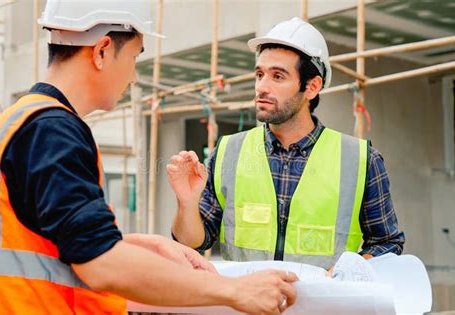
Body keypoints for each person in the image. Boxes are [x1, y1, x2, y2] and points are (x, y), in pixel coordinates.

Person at [0, 1, 298, 314]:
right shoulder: (51, 130)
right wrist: (233, 290)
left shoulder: (26, 119)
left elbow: (53, 240)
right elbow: (101, 264)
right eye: (135, 57)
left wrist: (138, 245)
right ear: (102, 51)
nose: (134, 75)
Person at [169, 17, 405, 269]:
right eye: (259, 74)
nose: (262, 87)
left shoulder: (360, 160)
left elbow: (387, 243)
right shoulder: (228, 152)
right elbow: (193, 243)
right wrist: (187, 203)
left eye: (278, 76)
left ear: (312, 87)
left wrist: (349, 270)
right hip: (246, 306)